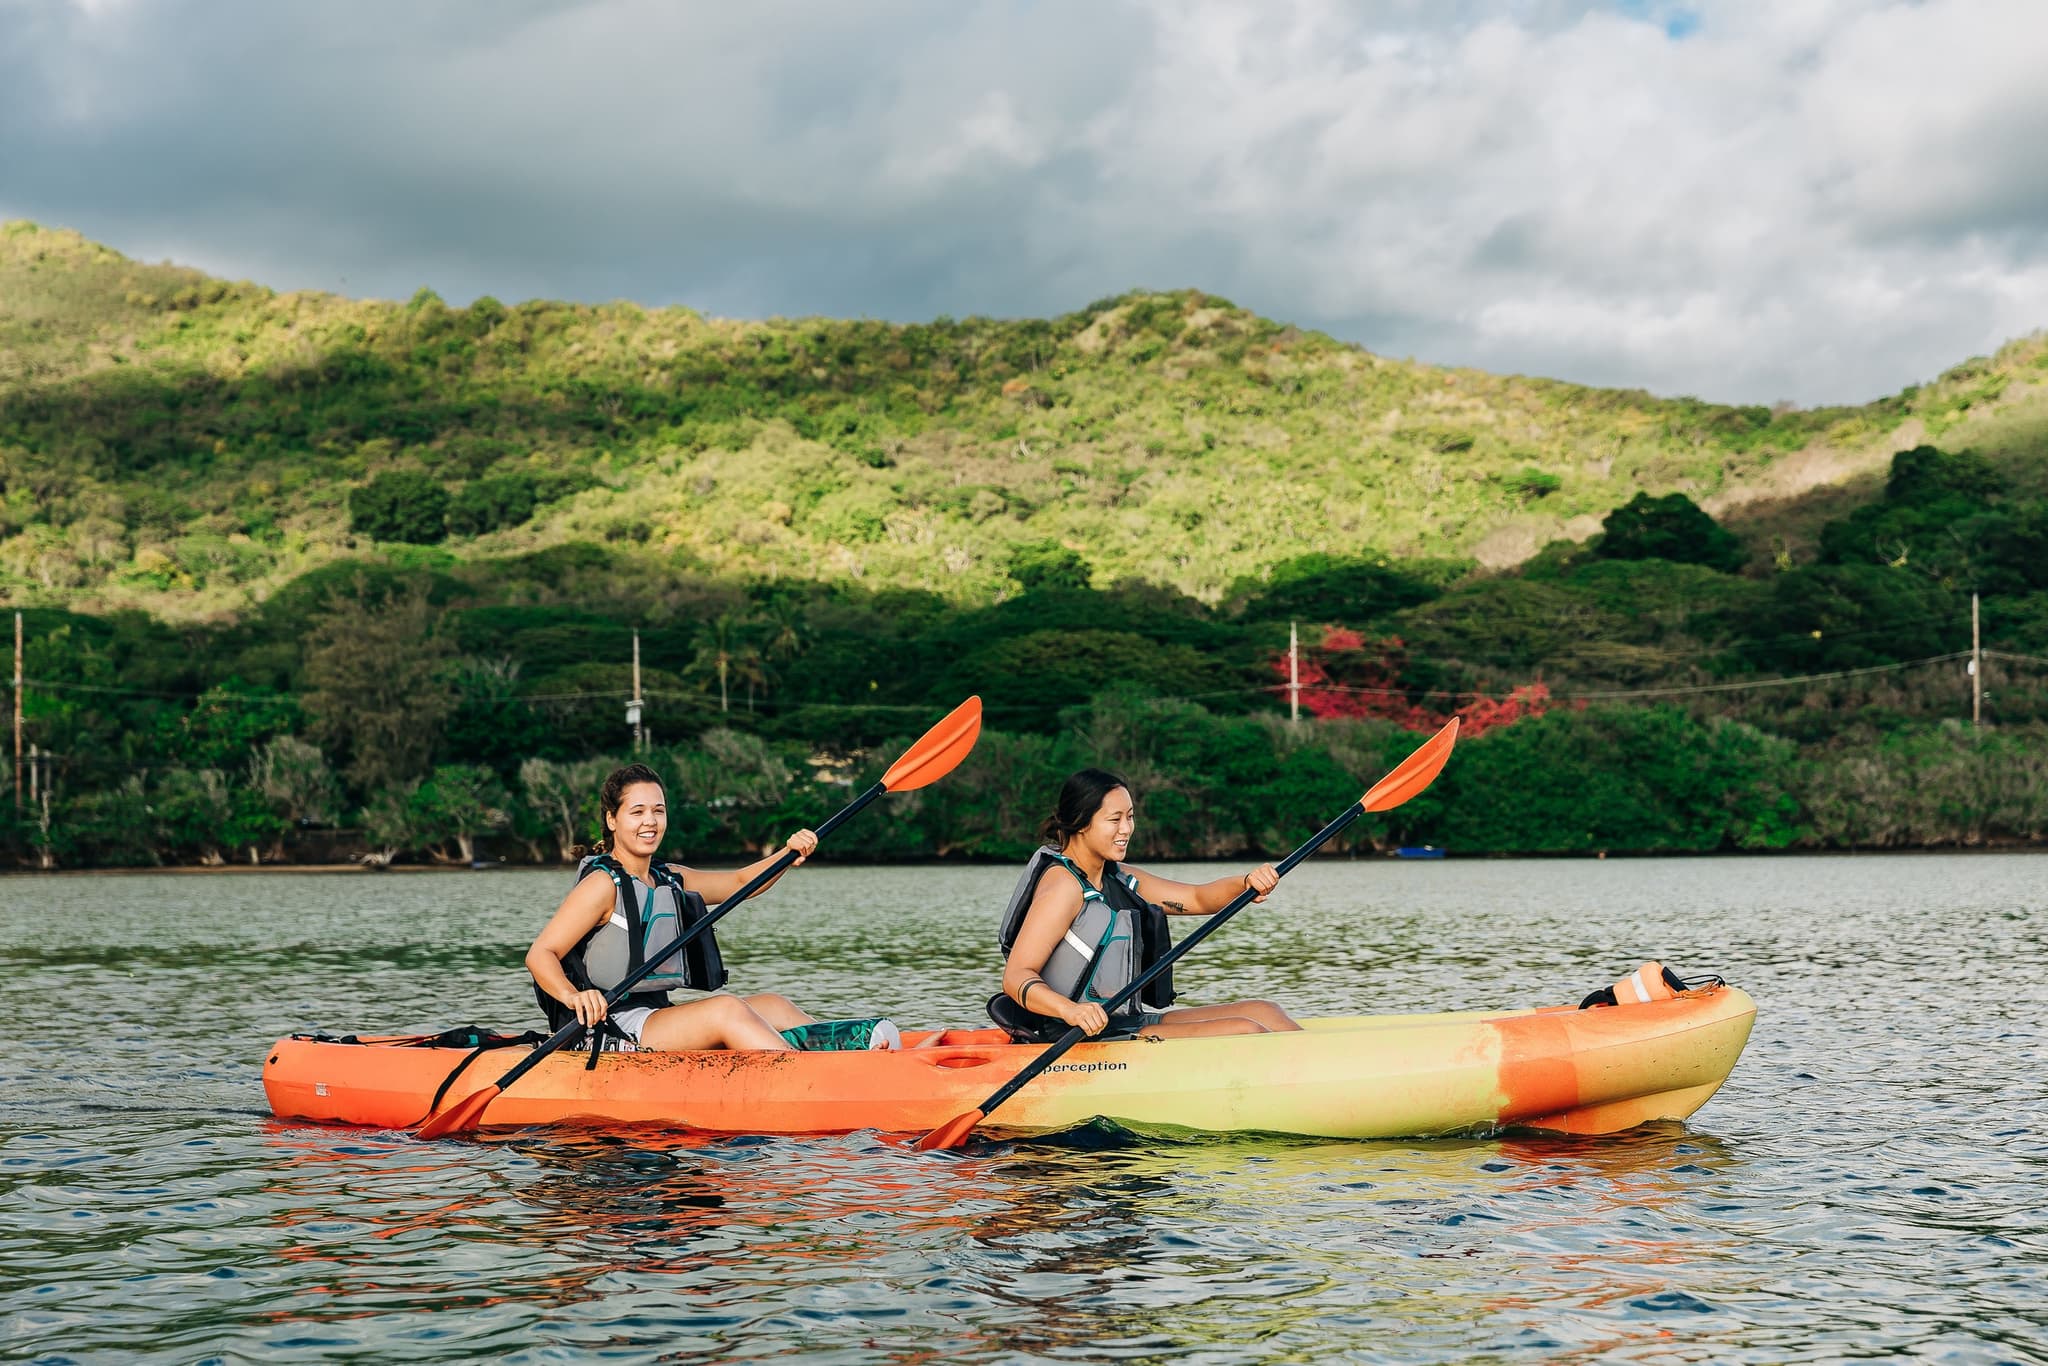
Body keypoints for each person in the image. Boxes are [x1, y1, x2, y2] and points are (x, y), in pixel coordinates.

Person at [528, 762, 882, 1051]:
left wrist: (788, 855)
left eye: (658, 811)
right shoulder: (602, 885)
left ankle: (856, 1050)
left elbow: (742, 883)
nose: (650, 821)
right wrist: (574, 997)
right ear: (612, 819)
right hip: (609, 1030)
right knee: (725, 1010)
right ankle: (820, 1078)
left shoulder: (669, 878)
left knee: (772, 1005)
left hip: (656, 1016)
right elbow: (541, 953)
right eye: (637, 812)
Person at [997, 768, 1303, 1041]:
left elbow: (1197, 898)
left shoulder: (1118, 878)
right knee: (1244, 1031)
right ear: (1081, 823)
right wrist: (1072, 1012)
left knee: (1264, 1012)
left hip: (1124, 1021)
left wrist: (1245, 883)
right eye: (1114, 820)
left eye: (1130, 817)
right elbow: (1016, 976)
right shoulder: (1063, 886)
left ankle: (1321, 1067)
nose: (1127, 829)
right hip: (1074, 1035)